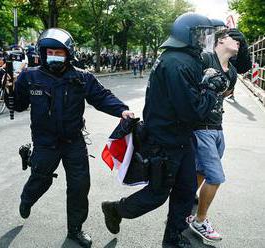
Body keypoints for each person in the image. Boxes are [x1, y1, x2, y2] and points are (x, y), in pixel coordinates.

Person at [100, 13, 228, 248]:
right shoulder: (177, 63)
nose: (204, 40)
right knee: (157, 194)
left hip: (180, 137)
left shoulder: (182, 58)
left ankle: (172, 239)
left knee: (187, 191)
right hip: (166, 140)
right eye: (201, 34)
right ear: (186, 35)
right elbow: (191, 112)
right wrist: (210, 91)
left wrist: (207, 84)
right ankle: (116, 209)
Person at [6, 28, 134, 248]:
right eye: (50, 51)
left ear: (69, 53)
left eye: (59, 52)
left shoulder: (81, 77)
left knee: (79, 185)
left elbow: (102, 97)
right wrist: (10, 93)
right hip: (45, 142)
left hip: (73, 141)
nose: (54, 55)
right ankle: (27, 199)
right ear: (42, 53)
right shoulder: (30, 76)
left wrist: (122, 110)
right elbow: (18, 104)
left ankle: (75, 229)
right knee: (40, 179)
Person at [188, 28, 240, 242]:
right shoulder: (205, 59)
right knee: (215, 177)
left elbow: (227, 92)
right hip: (201, 128)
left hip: (218, 128)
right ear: (220, 41)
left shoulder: (233, 71)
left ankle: (183, 201)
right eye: (233, 38)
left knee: (201, 170)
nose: (238, 42)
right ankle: (199, 220)